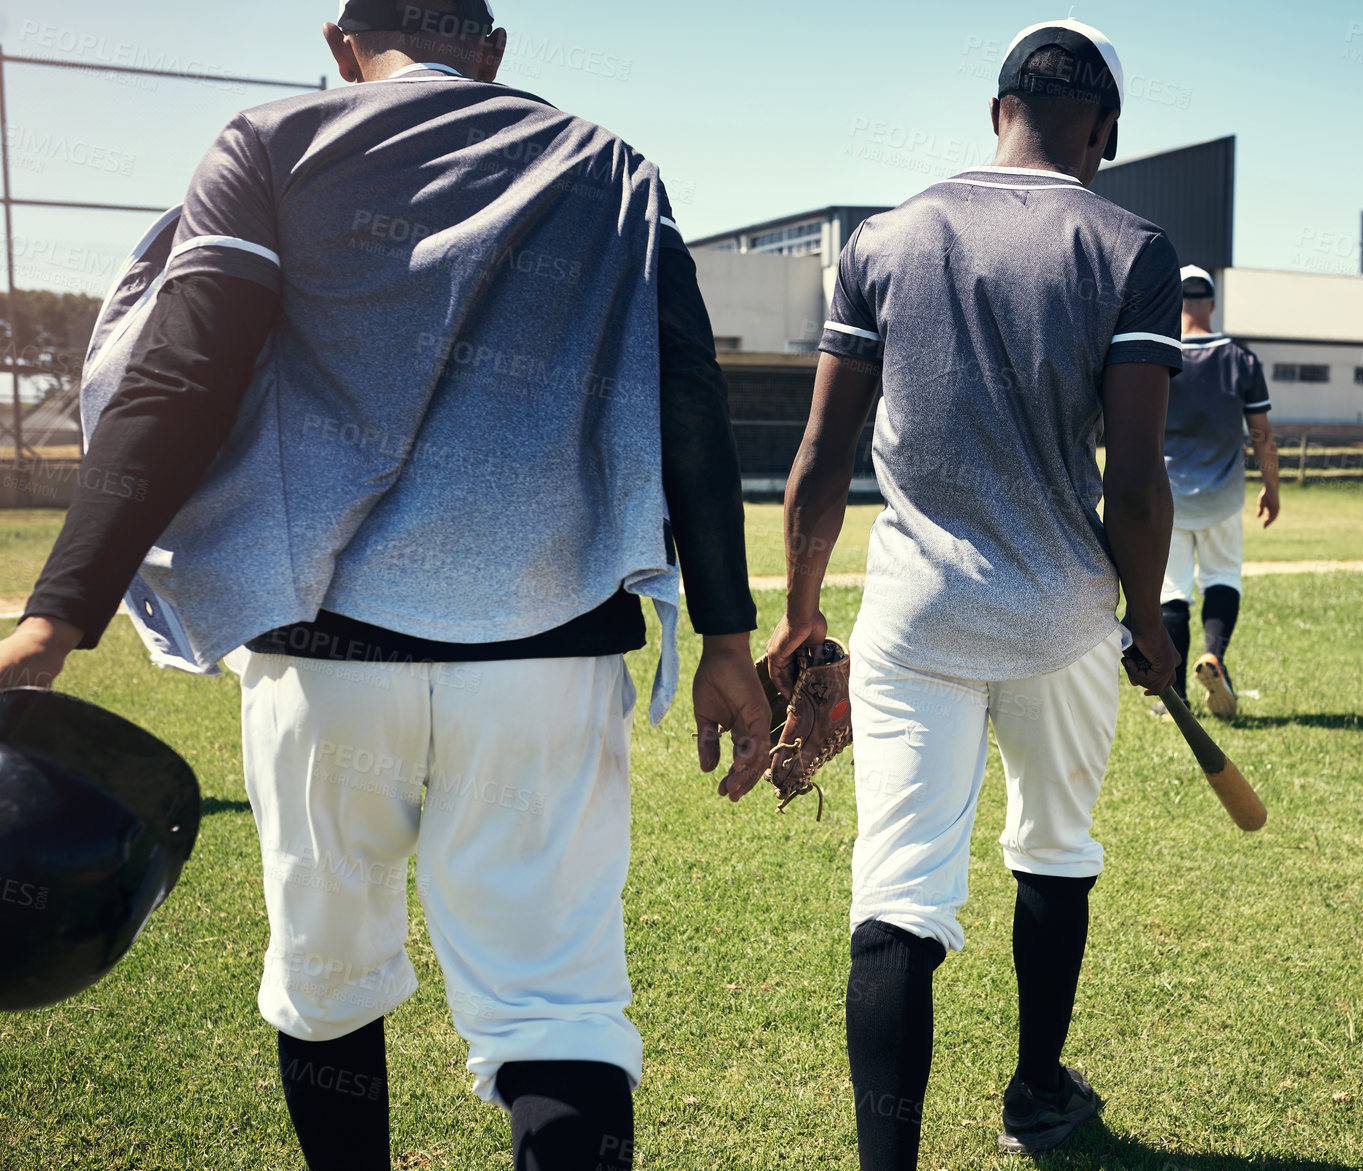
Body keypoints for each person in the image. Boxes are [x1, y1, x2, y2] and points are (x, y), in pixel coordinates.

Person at [0, 3, 773, 1169]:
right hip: (547, 654)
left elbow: (184, 371)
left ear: (340, 44)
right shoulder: (615, 168)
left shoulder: (270, 142)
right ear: (495, 50)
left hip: (325, 658)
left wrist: (57, 612)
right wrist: (724, 637)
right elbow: (690, 408)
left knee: (329, 985)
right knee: (557, 1013)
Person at [763, 18, 1183, 1167]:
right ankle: (1038, 1096)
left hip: (913, 615)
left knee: (899, 897)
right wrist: (1145, 618)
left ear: (998, 111)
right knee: (1053, 848)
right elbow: (1137, 483)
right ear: (1100, 127)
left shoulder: (885, 237)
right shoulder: (1131, 244)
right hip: (1062, 614)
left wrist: (801, 612)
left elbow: (818, 460)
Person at [1154, 265, 1279, 722]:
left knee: (1172, 592)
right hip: (1223, 497)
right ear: (1210, 304)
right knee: (1223, 577)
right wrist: (1272, 487)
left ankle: (1177, 700)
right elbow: (1262, 434)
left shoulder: (1158, 358)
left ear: (1174, 305)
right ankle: (1216, 658)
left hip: (1168, 499)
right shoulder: (1242, 360)